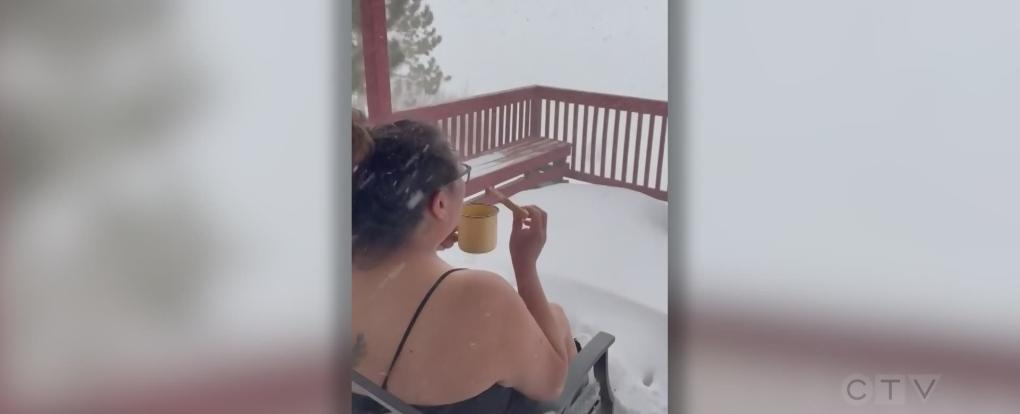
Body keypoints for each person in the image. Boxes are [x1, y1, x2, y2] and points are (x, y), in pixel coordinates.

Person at [352, 119, 577, 413]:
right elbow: (553, 383)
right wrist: (525, 266)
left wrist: (426, 242)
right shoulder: (483, 300)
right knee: (556, 317)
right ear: (440, 204)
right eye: (461, 174)